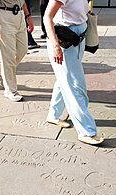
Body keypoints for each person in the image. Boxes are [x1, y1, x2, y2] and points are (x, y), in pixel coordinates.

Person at [44, 0, 104, 145]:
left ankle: (54, 114)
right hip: (65, 40)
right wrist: (56, 46)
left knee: (64, 80)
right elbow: (47, 17)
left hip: (78, 37)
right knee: (76, 86)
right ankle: (86, 131)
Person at [0, 0, 34, 102]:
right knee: (8, 57)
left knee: (22, 50)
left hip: (19, 15)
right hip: (3, 16)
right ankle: (11, 90)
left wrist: (28, 16)